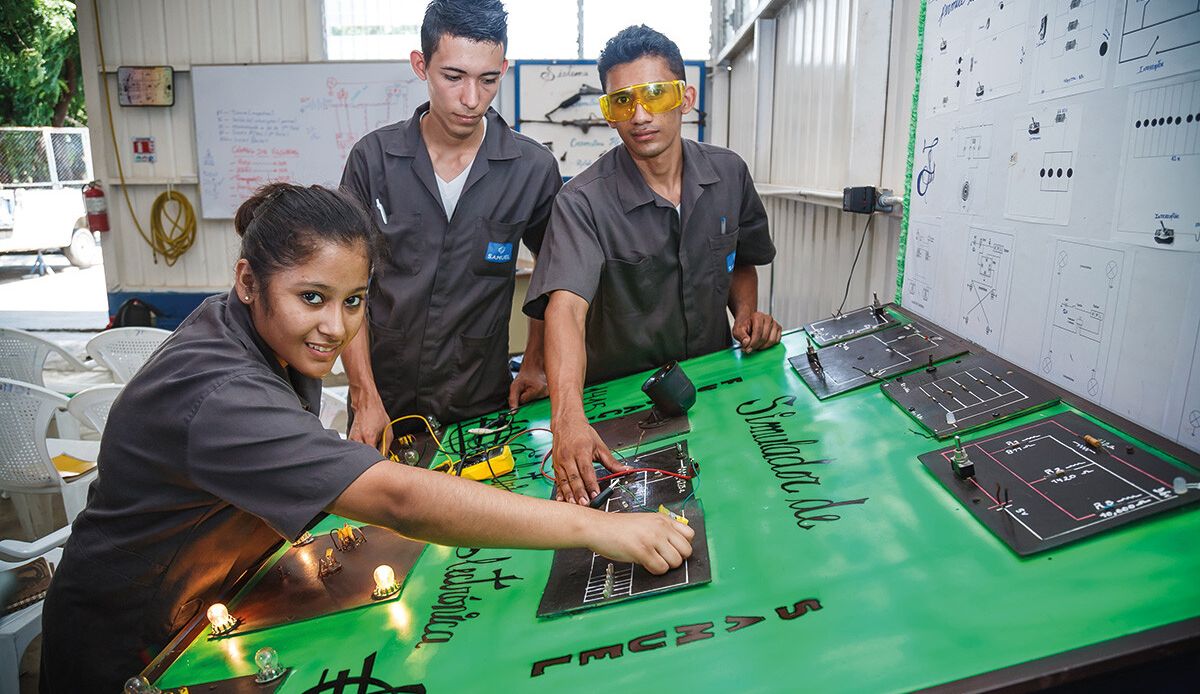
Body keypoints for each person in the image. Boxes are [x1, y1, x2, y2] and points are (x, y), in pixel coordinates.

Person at [38, 183, 693, 693]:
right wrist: (596, 529)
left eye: (354, 301)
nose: (335, 327)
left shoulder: (251, 331)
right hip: (130, 650)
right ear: (246, 282)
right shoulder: (218, 393)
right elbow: (399, 501)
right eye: (313, 297)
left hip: (205, 603)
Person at [523, 26, 783, 506]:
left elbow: (743, 259)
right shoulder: (582, 203)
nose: (640, 116)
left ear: (684, 98)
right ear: (607, 112)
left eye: (655, 95)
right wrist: (568, 418)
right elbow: (566, 308)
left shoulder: (729, 174)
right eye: (622, 102)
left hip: (712, 383)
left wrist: (745, 312)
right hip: (623, 406)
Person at [340, 0, 561, 448]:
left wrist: (536, 361)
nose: (471, 99)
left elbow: (556, 276)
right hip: (383, 402)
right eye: (454, 77)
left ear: (504, 69)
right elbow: (344, 286)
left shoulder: (531, 169)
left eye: (488, 80)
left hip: (481, 403)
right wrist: (364, 395)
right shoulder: (373, 160)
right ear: (421, 66)